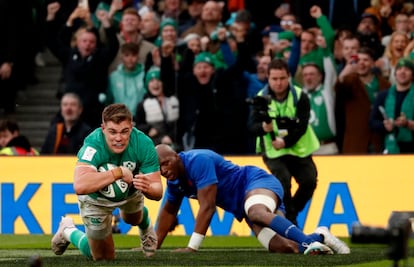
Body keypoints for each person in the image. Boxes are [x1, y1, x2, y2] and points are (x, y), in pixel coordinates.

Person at [154, 144, 350, 255]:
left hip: (256, 182)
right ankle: (321, 236)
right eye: (159, 168)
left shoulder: (197, 160)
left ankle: (307, 241)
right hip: (244, 205)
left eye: (167, 163)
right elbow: (169, 212)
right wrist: (154, 245)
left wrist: (192, 247)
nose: (164, 170)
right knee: (285, 247)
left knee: (256, 212)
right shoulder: (174, 183)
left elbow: (208, 207)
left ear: (178, 157)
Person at [51, 103, 163, 261]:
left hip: (131, 192)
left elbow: (158, 191)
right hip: (96, 199)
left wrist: (147, 188)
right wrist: (118, 173)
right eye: (112, 132)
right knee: (103, 258)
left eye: (125, 131)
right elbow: (80, 185)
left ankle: (144, 225)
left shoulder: (143, 143)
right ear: (103, 128)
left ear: (131, 127)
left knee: (132, 219)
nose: (118, 138)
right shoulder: (93, 144)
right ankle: (68, 230)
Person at [250, 58, 319, 226]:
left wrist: (285, 142)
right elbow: (251, 126)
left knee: (310, 181)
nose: (278, 83)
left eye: (282, 78)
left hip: (298, 147)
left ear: (289, 76)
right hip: (273, 151)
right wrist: (262, 128)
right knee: (283, 179)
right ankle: (290, 220)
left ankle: (290, 212)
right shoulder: (260, 98)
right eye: (274, 79)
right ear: (267, 77)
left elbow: (302, 126)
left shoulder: (300, 96)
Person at [369, 57, 414, 154]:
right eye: (399, 69)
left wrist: (408, 124)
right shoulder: (383, 95)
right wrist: (384, 125)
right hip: (390, 147)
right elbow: (372, 121)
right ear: (395, 74)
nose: (402, 72)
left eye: (407, 69)